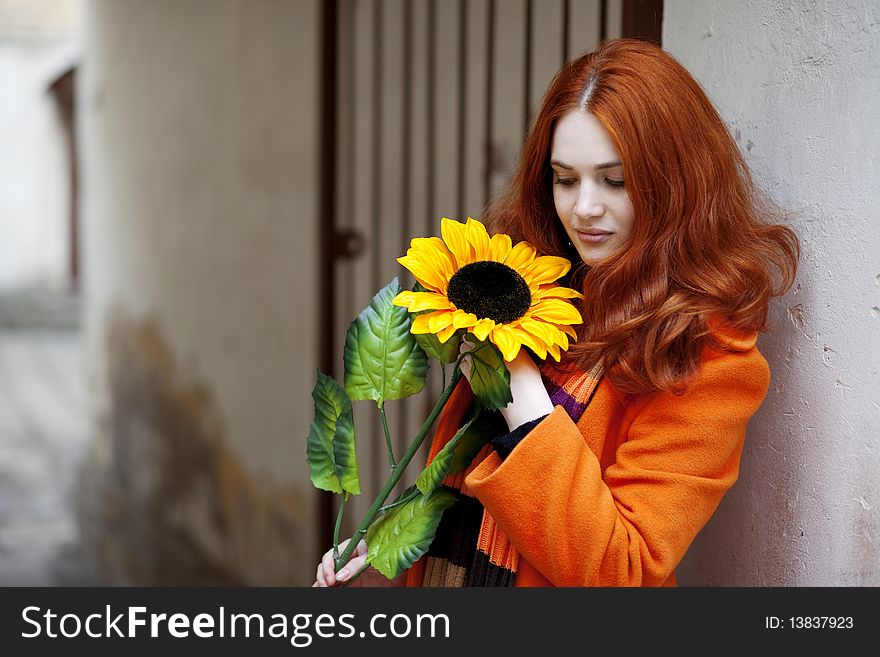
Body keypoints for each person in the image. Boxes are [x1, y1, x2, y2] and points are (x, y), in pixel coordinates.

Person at [314, 38, 798, 587]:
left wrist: (523, 398)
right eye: (565, 179)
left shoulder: (708, 358)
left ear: (675, 182)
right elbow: (456, 490)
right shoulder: (531, 288)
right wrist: (383, 554)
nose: (583, 208)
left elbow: (625, 572)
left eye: (615, 181)